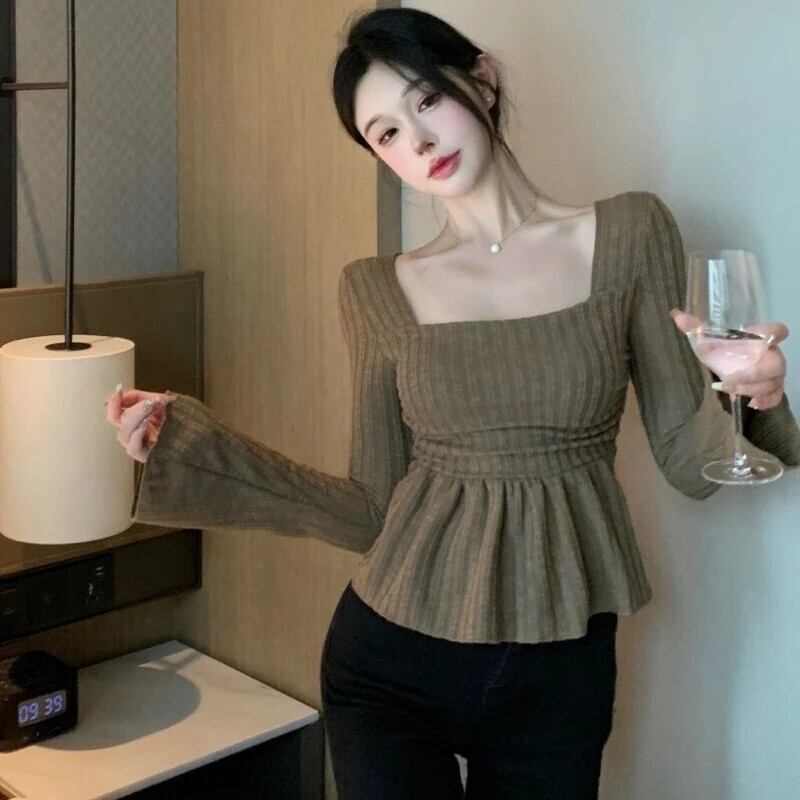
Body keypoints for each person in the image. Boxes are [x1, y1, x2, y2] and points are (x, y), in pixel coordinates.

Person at [106, 8, 800, 799]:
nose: (419, 141)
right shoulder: (375, 289)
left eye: (427, 100)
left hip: (558, 672)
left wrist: (754, 396)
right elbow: (372, 507)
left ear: (483, 80)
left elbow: (687, 457)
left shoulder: (629, 233)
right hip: (389, 667)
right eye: (386, 133)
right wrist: (194, 447)